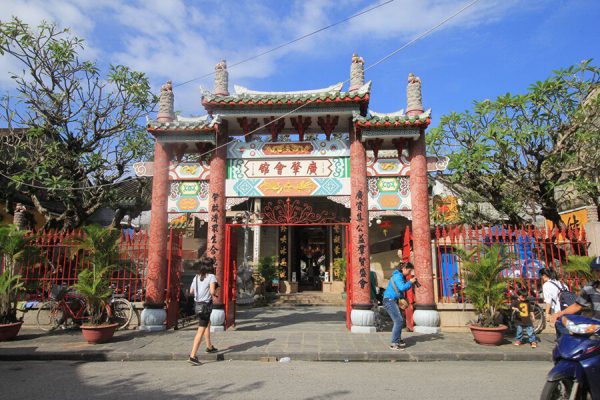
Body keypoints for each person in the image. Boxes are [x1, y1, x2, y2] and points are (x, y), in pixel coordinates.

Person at [551, 256, 600, 324]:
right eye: (598, 271)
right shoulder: (590, 288)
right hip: (597, 329)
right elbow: (577, 306)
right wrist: (558, 314)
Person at [188, 256, 218, 365]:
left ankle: (209, 346)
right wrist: (215, 293)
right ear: (210, 266)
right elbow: (212, 291)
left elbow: (191, 291)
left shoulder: (196, 277)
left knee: (207, 324)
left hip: (197, 306)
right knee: (200, 330)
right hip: (205, 306)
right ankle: (193, 355)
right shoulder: (211, 277)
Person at [382, 262, 416, 350]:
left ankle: (398, 340)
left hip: (392, 300)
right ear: (404, 268)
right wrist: (410, 282)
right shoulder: (398, 276)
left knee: (400, 320)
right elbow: (401, 288)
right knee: (398, 320)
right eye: (409, 271)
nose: (409, 273)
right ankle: (394, 343)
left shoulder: (399, 276)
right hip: (389, 300)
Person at [539, 267, 568, 338]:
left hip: (558, 311)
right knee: (566, 332)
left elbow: (548, 301)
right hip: (568, 309)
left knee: (561, 333)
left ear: (544, 275)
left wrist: (547, 314)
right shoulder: (561, 283)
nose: (541, 278)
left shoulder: (547, 285)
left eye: (541, 276)